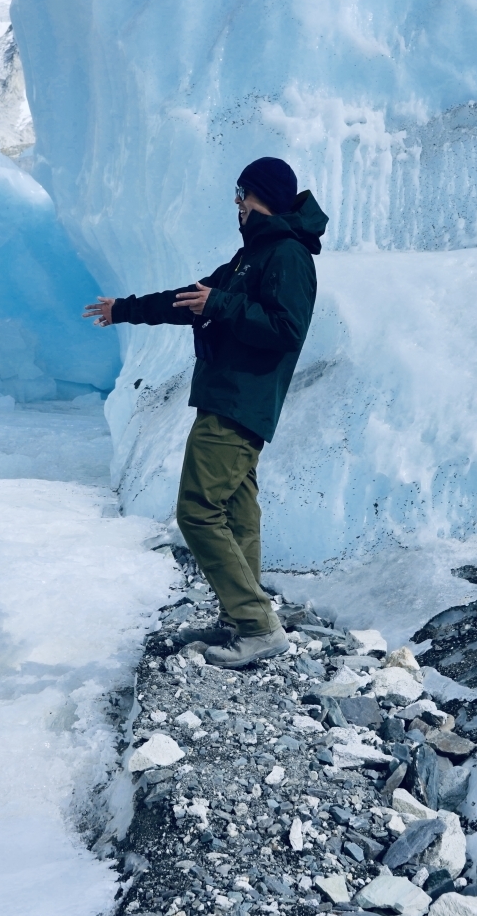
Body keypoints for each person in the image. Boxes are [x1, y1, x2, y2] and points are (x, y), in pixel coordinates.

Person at [83, 157, 329, 668]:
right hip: (229, 397)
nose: (235, 204)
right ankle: (242, 621)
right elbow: (188, 300)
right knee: (238, 511)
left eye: (242, 193)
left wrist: (221, 306)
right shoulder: (251, 256)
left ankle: (257, 625)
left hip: (241, 401)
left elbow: (287, 330)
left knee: (197, 511)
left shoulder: (287, 255)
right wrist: (124, 309)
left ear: (261, 195)